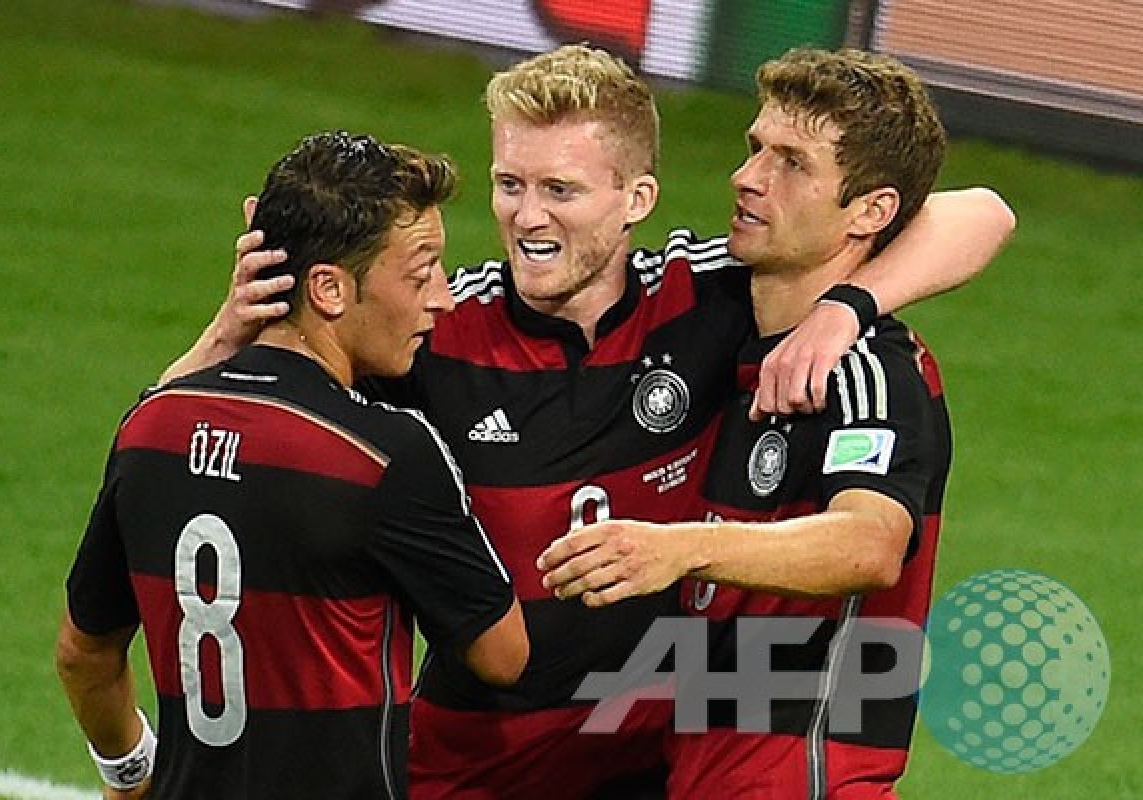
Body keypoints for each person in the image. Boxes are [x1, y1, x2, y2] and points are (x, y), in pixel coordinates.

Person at [163, 45, 1013, 799]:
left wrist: (846, 306)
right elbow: (176, 447)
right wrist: (231, 331)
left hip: (650, 764)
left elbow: (981, 213)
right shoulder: (438, 333)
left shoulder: (709, 297)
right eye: (510, 185)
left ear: (635, 196)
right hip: (467, 769)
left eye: (560, 189)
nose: (528, 218)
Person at [55, 130, 528, 800]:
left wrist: (131, 777)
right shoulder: (384, 454)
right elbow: (503, 654)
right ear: (329, 290)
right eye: (421, 274)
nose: (444, 299)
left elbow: (84, 655)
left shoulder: (149, 429)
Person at [538, 48, 958, 798]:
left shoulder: (871, 372)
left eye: (791, 163)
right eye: (754, 148)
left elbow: (870, 544)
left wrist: (680, 550)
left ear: (870, 211)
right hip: (695, 769)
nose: (748, 176)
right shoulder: (720, 322)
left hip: (808, 775)